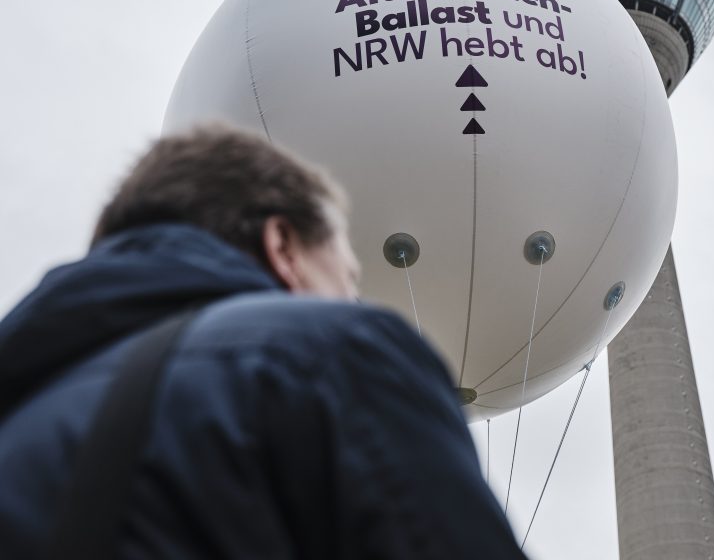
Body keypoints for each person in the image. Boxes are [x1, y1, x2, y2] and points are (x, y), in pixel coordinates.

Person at [0, 126, 528, 559]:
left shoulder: (24, 417)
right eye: (347, 279)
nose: (351, 301)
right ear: (283, 247)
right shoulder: (324, 355)